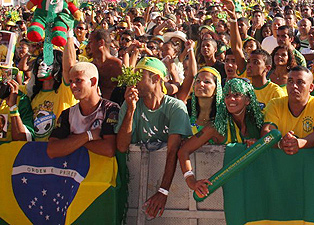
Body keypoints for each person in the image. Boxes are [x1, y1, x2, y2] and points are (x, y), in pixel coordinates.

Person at [116, 57, 192, 219]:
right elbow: (122, 147)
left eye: (139, 77)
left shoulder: (175, 107)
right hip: (135, 184)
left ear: (156, 78)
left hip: (174, 189)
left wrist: (163, 191)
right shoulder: (130, 104)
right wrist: (130, 111)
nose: (134, 82)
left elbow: (172, 151)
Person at [178, 78, 264, 197]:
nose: (231, 99)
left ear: (248, 99)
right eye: (227, 95)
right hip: (225, 194)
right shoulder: (216, 127)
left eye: (237, 94)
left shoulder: (260, 123)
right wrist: (191, 181)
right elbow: (183, 151)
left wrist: (260, 144)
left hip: (256, 189)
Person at [47, 62, 119, 158]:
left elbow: (109, 149)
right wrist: (88, 136)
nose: (72, 86)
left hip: (103, 172)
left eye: (78, 80)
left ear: (93, 81)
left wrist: (73, 140)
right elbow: (52, 150)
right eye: (71, 81)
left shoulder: (110, 109)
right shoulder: (67, 113)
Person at [262, 66, 314, 155]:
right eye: (290, 81)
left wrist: (299, 143)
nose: (294, 86)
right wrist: (281, 144)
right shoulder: (275, 104)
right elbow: (266, 132)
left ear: (311, 87)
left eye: (300, 82)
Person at [88, 29, 123, 102]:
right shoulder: (91, 67)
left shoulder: (117, 66)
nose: (87, 46)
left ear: (101, 43)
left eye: (90, 42)